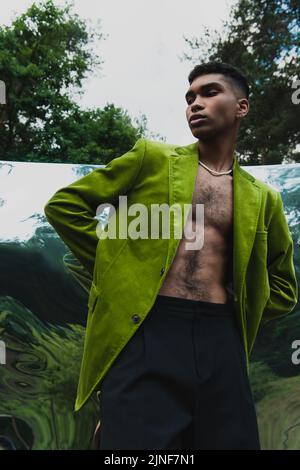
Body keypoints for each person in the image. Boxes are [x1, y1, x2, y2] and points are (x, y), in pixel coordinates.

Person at [44, 61, 298, 450]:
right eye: (189, 97)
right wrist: (121, 270)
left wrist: (243, 305)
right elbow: (66, 206)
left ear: (241, 107)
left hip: (221, 338)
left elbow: (283, 285)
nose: (195, 103)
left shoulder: (264, 198)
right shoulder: (151, 158)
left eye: (209, 93)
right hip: (149, 328)